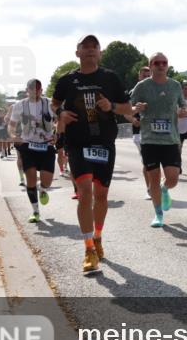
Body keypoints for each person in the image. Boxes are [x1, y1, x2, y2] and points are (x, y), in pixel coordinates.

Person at [51, 35, 132, 275]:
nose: (89, 50)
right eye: (84, 47)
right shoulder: (67, 80)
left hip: (104, 142)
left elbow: (127, 108)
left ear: (100, 53)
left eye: (93, 47)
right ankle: (88, 249)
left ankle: (97, 236)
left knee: (102, 195)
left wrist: (112, 107)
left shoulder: (110, 78)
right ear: (77, 53)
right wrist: (61, 114)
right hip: (78, 143)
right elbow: (54, 104)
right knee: (85, 193)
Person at [129, 52, 187, 227]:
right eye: (157, 63)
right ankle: (158, 215)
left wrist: (183, 109)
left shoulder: (175, 85)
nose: (161, 65)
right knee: (153, 179)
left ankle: (165, 190)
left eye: (164, 62)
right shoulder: (142, 86)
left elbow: (182, 104)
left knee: (173, 178)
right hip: (149, 140)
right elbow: (128, 108)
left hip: (171, 139)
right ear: (151, 65)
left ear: (167, 65)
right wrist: (136, 108)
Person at [9, 79, 57, 223]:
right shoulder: (20, 105)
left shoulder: (49, 103)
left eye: (38, 90)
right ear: (27, 90)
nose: (35, 92)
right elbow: (12, 125)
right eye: (32, 90)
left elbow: (58, 119)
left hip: (46, 144)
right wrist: (12, 135)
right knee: (30, 178)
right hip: (28, 145)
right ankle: (35, 211)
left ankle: (42, 189)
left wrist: (56, 133)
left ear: (41, 90)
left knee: (47, 181)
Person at [127, 66, 152, 199]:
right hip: (140, 132)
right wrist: (132, 119)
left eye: (148, 75)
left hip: (154, 131)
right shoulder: (134, 91)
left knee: (156, 161)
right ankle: (149, 189)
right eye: (144, 75)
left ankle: (154, 186)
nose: (146, 77)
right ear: (139, 77)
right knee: (148, 161)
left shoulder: (156, 90)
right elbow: (125, 111)